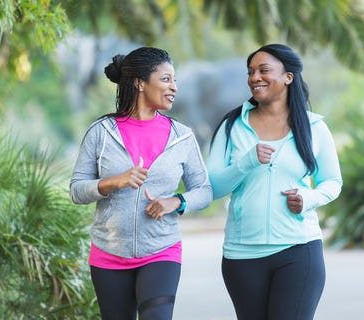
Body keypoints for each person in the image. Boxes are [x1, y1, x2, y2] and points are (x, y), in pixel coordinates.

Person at [70, 47, 212, 320]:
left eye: (175, 80)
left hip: (161, 250)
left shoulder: (182, 136)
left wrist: (176, 202)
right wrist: (113, 182)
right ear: (139, 83)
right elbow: (77, 190)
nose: (174, 87)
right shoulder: (101, 133)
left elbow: (204, 191)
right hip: (109, 253)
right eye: (166, 79)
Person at [207, 44, 342, 320]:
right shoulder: (231, 126)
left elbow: (332, 181)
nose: (254, 77)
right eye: (251, 72)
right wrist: (246, 161)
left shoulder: (315, 127)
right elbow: (214, 187)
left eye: (263, 70)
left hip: (299, 250)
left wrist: (308, 198)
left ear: (288, 77)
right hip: (242, 255)